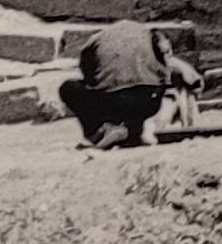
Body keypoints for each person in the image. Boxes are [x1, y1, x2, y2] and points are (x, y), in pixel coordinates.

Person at [59, 14, 204, 149]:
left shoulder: (96, 40)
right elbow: (188, 77)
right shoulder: (151, 36)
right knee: (159, 89)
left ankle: (98, 132)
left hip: (110, 102)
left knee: (69, 87)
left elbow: (89, 76)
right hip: (147, 101)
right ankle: (134, 131)